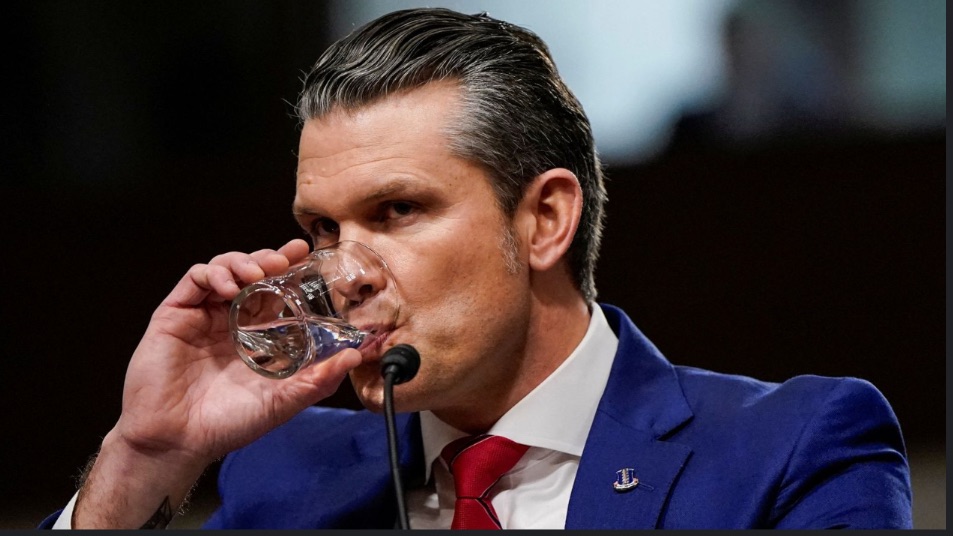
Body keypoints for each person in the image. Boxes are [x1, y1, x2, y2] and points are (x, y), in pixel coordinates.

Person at [41, 7, 912, 529]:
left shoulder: (788, 449)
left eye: (397, 210)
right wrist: (144, 457)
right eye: (322, 228)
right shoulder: (287, 477)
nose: (343, 273)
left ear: (544, 220)